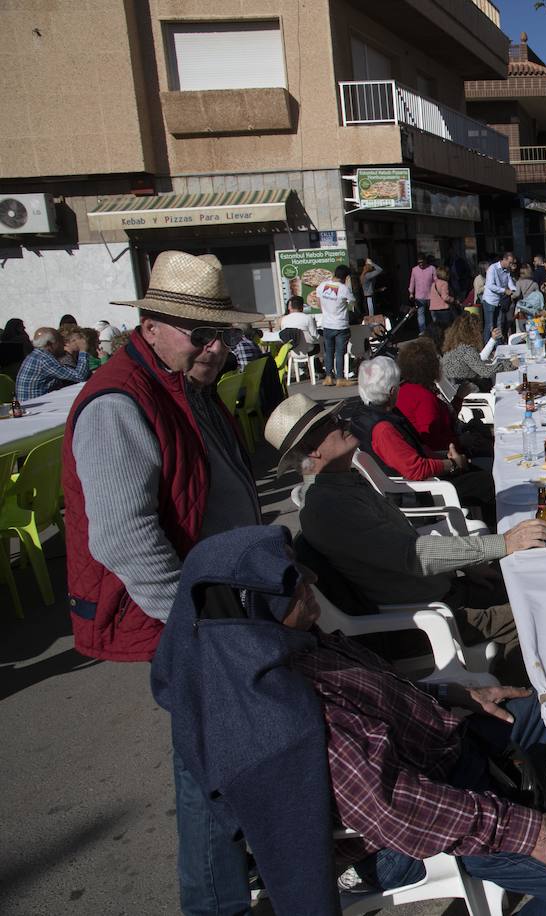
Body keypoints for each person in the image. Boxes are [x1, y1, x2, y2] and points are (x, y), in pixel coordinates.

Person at [153, 522, 546, 913]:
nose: (312, 582)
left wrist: (455, 692)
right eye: (296, 582)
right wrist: (531, 831)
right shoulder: (287, 720)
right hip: (422, 828)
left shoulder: (283, 645)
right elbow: (394, 808)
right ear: (259, 606)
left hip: (448, 747)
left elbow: (379, 695)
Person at [65, 249, 263, 913]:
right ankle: (217, 905)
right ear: (149, 325)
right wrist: (194, 625)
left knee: (233, 762)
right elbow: (123, 537)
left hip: (221, 609)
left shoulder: (185, 382)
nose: (215, 346)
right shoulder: (120, 399)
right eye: (200, 334)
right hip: (190, 623)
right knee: (207, 777)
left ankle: (244, 875)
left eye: (223, 333)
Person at [270, 393, 546, 677]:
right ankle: (527, 705)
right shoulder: (329, 507)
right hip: (429, 618)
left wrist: (468, 565)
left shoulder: (341, 485)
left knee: (537, 579)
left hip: (443, 594)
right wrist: (503, 543)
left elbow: (401, 544)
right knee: (543, 608)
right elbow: (411, 555)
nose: (344, 421)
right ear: (312, 450)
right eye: (331, 423)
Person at [352, 353, 496, 528]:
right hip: (418, 492)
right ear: (392, 392)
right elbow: (415, 469)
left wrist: (445, 457)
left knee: (483, 476)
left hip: (420, 480)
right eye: (398, 385)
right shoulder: (383, 428)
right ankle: (501, 536)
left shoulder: (370, 414)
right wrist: (452, 464)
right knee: (489, 484)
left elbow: (417, 449)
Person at [16, 325, 90, 400]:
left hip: (33, 402)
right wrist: (83, 350)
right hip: (35, 406)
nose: (63, 345)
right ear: (50, 344)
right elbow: (79, 376)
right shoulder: (44, 359)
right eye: (60, 342)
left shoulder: (36, 355)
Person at [443, 312, 519, 385]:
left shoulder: (454, 347)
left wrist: (493, 339)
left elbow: (479, 359)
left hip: (458, 385)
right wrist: (510, 364)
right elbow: (485, 372)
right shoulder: (466, 350)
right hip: (467, 388)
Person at [317, 264, 356, 387]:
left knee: (329, 352)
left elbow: (319, 304)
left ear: (334, 273)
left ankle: (328, 377)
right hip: (340, 325)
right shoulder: (344, 289)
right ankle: (340, 378)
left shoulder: (322, 286)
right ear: (346, 277)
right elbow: (353, 302)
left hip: (327, 325)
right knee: (339, 352)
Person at [482, 251, 518, 338]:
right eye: (510, 262)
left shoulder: (507, 270)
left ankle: (498, 345)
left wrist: (515, 290)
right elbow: (490, 285)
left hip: (499, 301)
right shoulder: (492, 268)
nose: (510, 265)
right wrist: (504, 290)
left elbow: (510, 283)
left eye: (512, 263)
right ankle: (488, 346)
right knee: (490, 325)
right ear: (504, 259)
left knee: (498, 325)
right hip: (490, 300)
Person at [409, 254, 438, 332]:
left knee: (434, 314)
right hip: (419, 296)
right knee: (420, 315)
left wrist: (438, 291)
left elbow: (436, 281)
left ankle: (437, 330)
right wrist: (411, 292)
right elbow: (412, 282)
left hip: (431, 295)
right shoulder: (414, 269)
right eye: (419, 263)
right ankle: (422, 332)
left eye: (422, 262)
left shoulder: (432, 268)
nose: (420, 264)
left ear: (425, 261)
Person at [430, 266, 456, 331]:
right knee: (447, 328)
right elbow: (445, 297)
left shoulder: (433, 284)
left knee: (438, 328)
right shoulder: (444, 283)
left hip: (434, 309)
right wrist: (453, 299)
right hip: (443, 309)